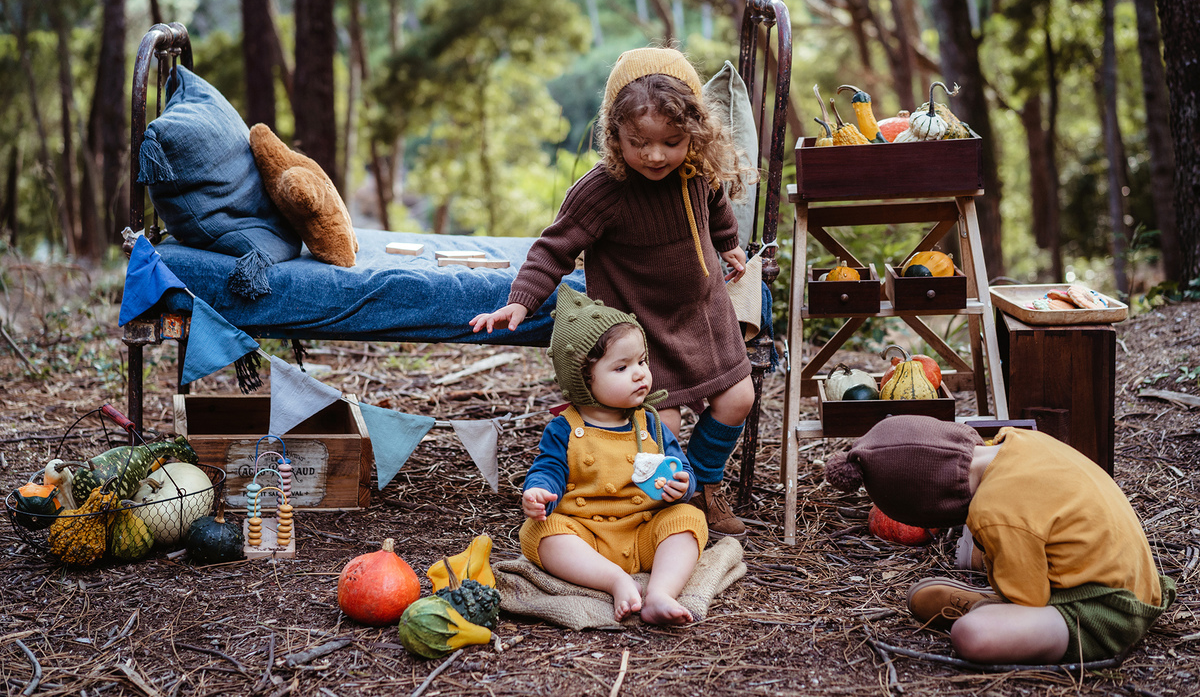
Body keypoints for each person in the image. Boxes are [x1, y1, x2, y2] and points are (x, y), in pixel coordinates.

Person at [472, 47, 756, 536]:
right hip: (639, 329)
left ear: (694, 133)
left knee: (738, 398)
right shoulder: (602, 190)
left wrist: (728, 243)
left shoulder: (697, 171)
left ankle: (704, 481)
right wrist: (521, 300)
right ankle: (663, 504)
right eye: (638, 142)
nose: (655, 155)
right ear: (614, 134)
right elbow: (553, 248)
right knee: (660, 425)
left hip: (702, 315)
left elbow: (717, 207)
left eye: (671, 141)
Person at [824, 415, 1176, 665]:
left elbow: (1030, 600)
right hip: (1138, 580)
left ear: (933, 505)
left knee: (972, 635)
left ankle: (990, 608)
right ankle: (992, 601)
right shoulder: (1019, 440)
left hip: (1105, 611)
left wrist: (1004, 585)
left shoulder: (994, 513)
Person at [519, 284, 708, 625]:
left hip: (644, 530)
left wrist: (682, 485)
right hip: (585, 537)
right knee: (539, 532)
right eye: (621, 368)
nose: (639, 373)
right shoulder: (566, 428)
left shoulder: (650, 422)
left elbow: (680, 466)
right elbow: (549, 468)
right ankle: (615, 580)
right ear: (584, 380)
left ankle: (660, 592)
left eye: (642, 361)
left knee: (688, 519)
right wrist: (539, 491)